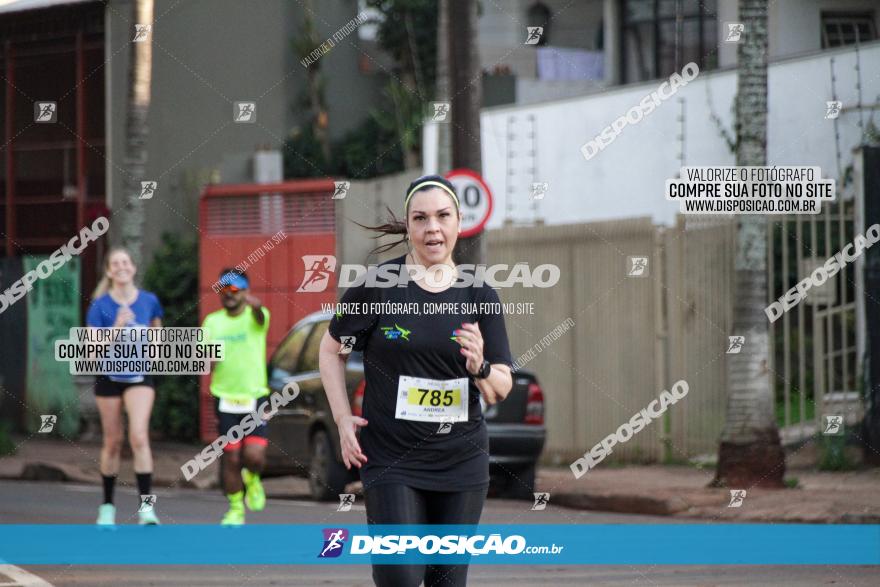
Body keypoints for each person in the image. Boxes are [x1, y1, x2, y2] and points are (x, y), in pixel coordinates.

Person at [318, 175, 514, 586]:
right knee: (402, 577)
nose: (432, 228)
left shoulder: (478, 293)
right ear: (408, 226)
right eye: (420, 218)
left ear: (460, 222)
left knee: (446, 581)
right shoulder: (377, 286)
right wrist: (341, 418)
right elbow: (331, 349)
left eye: (443, 216)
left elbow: (500, 385)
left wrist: (478, 366)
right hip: (393, 459)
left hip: (461, 461)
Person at [86, 247, 163, 525]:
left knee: (139, 437)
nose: (121, 267)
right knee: (113, 441)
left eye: (125, 262)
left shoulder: (149, 300)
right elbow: (92, 352)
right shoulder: (99, 306)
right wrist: (117, 327)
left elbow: (156, 328)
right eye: (115, 263)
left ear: (133, 267)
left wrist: (154, 352)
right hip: (108, 377)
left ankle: (146, 508)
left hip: (139, 376)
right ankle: (107, 507)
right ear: (109, 271)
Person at [202, 269, 271, 525]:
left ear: (246, 291)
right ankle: (235, 508)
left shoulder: (257, 316)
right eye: (224, 290)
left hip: (255, 396)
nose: (229, 295)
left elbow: (260, 318)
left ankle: (252, 478)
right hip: (225, 398)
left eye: (235, 289)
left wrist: (256, 306)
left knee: (253, 456)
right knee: (231, 457)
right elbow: (204, 360)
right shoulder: (212, 322)